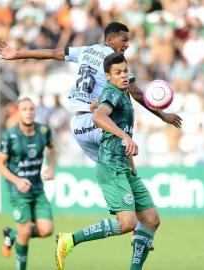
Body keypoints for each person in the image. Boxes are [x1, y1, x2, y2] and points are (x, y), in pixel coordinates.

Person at [0, 22, 182, 163]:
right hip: (97, 123)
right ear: (110, 40)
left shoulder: (86, 50)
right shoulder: (115, 64)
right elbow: (138, 95)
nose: (127, 45)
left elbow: (52, 53)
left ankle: (125, 211)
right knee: (124, 165)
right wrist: (162, 115)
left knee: (116, 173)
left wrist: (18, 54)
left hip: (77, 124)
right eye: (124, 40)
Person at [55, 53, 159, 270]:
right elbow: (98, 117)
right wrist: (125, 136)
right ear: (108, 77)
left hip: (126, 167)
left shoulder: (120, 93)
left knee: (151, 219)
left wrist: (96, 105)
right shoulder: (113, 92)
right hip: (111, 167)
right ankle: (70, 239)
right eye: (118, 73)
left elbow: (96, 107)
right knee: (127, 223)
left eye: (125, 71)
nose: (123, 76)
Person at [0, 97, 56, 270]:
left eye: (31, 109)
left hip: (37, 188)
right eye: (24, 109)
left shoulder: (44, 131)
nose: (28, 112)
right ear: (18, 112)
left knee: (46, 230)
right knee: (25, 231)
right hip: (18, 190)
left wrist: (51, 168)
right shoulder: (10, 136)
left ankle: (11, 234)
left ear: (35, 111)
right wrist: (16, 181)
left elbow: (52, 148)